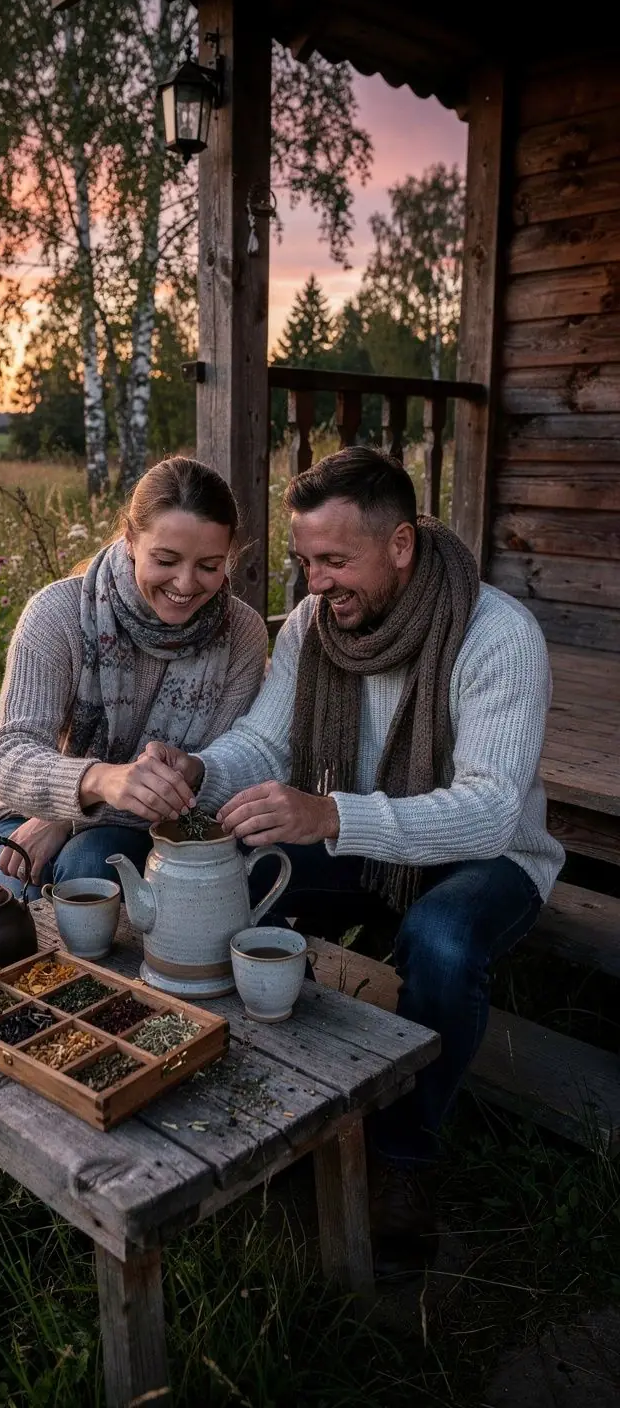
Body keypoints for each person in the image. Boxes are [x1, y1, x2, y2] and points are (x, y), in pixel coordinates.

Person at [145, 445, 564, 1274]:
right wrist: (201, 769)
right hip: (366, 837)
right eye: (305, 561)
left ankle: (404, 1157)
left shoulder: (498, 636)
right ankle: (271, 1093)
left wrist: (333, 811)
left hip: (493, 855)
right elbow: (266, 740)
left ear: (400, 545)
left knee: (442, 941)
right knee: (252, 864)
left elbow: (488, 811)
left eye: (335, 560)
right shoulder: (312, 625)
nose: (314, 583)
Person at [0, 455, 268, 897]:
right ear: (131, 539)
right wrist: (96, 784)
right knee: (7, 936)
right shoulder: (57, 615)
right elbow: (8, 757)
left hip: (158, 829)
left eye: (209, 566)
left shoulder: (242, 635)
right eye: (166, 560)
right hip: (29, 812)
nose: (186, 584)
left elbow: (216, 785)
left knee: (91, 867)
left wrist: (71, 817)